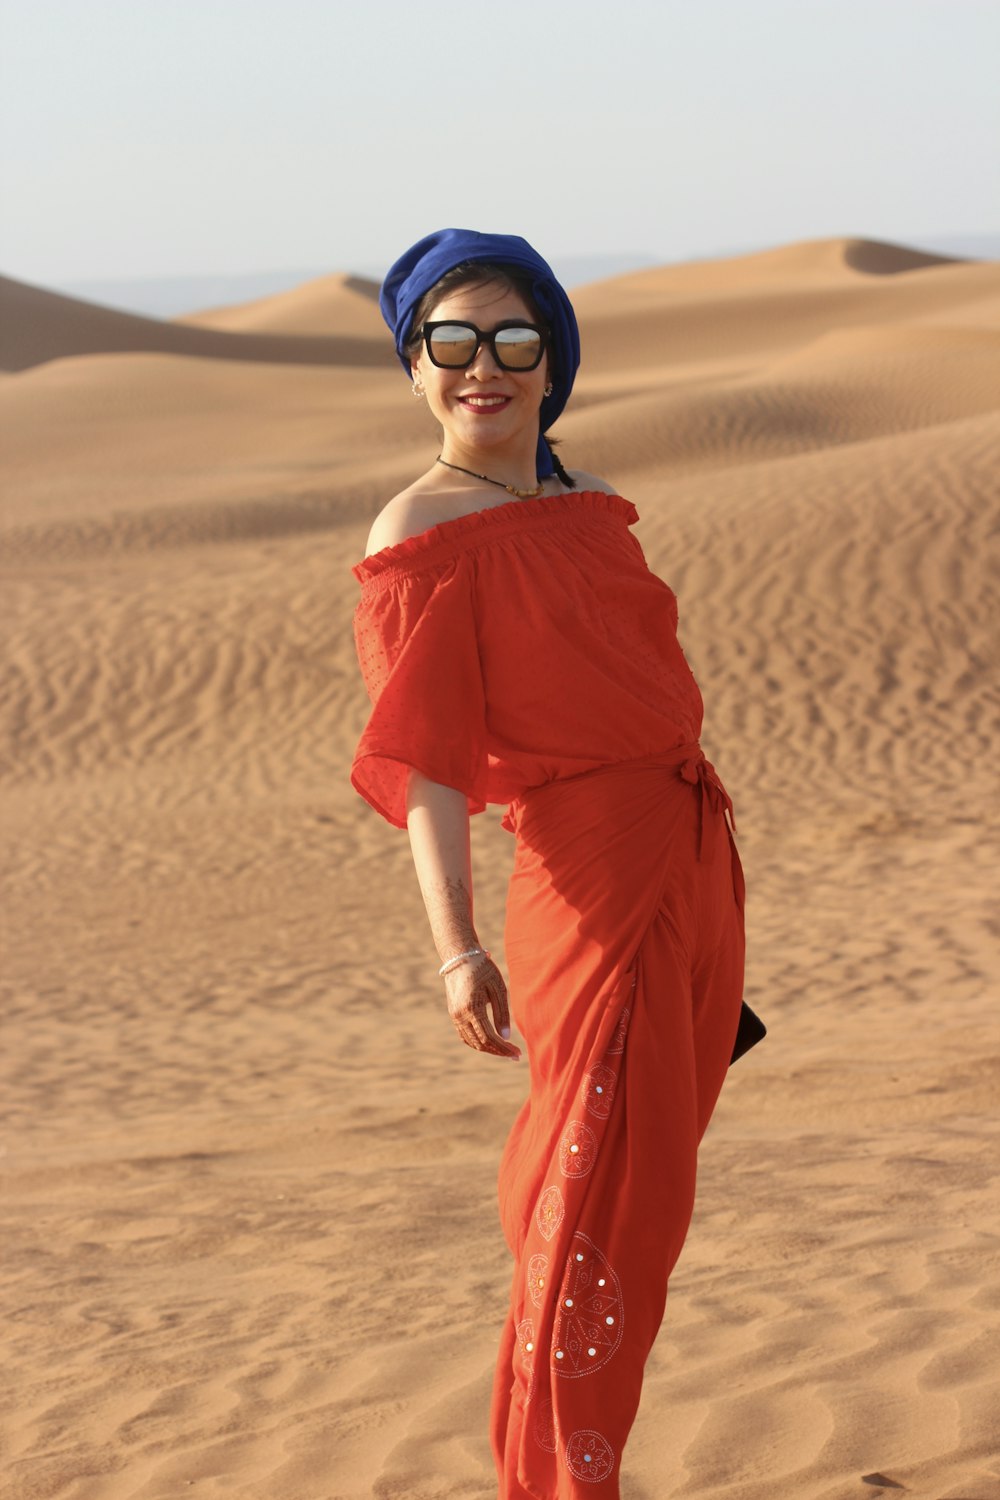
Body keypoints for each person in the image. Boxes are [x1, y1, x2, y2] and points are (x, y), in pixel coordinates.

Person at [350, 228, 757, 1500]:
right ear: (417, 364)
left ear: (551, 360)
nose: (486, 369)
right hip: (585, 888)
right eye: (452, 343)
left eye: (513, 342)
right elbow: (424, 767)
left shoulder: (583, 508)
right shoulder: (420, 532)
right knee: (587, 1205)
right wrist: (453, 948)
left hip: (687, 859)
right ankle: (560, 1482)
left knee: (652, 1200)